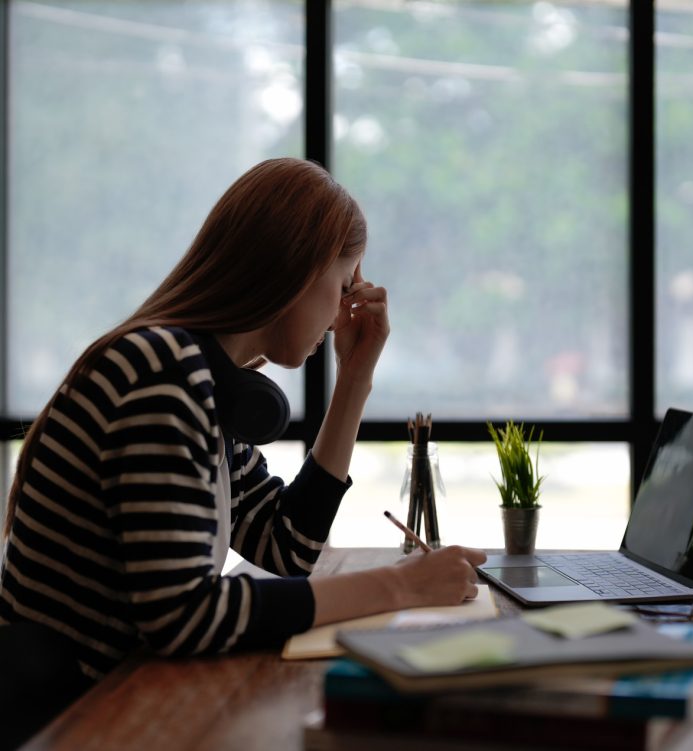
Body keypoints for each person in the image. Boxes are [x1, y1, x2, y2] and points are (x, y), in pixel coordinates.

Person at [0, 158, 486, 693]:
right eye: (343, 284)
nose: (338, 318)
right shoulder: (162, 372)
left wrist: (354, 378)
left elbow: (288, 544)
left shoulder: (204, 379)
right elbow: (183, 616)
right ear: (299, 270)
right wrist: (399, 587)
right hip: (76, 715)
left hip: (118, 697)